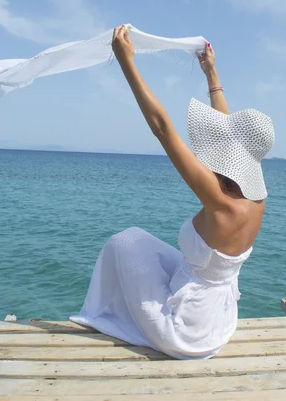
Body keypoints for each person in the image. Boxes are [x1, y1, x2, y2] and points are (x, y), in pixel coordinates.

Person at [70, 25, 275, 359]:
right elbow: (227, 130)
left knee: (121, 242)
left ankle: (100, 315)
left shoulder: (220, 202)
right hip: (219, 320)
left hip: (186, 329)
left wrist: (127, 63)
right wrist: (212, 74)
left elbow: (162, 128)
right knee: (137, 238)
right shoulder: (255, 199)